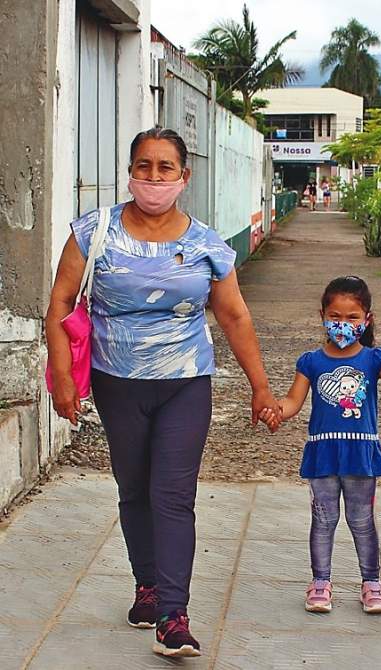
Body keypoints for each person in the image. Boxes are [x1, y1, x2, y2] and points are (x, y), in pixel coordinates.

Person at [46, 127, 279, 659]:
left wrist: (260, 386)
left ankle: (173, 614)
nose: (153, 177)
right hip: (116, 382)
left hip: (185, 384)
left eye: (164, 168)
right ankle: (146, 585)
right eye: (143, 166)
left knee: (172, 495)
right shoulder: (93, 231)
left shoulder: (205, 245)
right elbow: (59, 305)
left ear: (183, 177)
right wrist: (62, 376)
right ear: (130, 171)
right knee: (133, 488)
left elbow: (235, 315)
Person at [261, 276, 381, 614]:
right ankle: (320, 582)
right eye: (335, 316)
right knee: (323, 519)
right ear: (322, 315)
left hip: (361, 454)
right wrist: (275, 410)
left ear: (367, 320)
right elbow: (293, 401)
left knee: (362, 520)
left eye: (352, 318)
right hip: (322, 453)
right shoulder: (311, 362)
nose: (343, 325)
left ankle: (372, 583)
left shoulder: (375, 359)